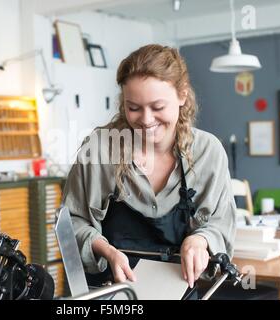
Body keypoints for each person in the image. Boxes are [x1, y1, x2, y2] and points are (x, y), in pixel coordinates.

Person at [62, 44, 236, 292]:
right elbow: (71, 223)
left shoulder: (208, 152)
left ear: (182, 96)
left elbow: (221, 223)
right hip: (110, 293)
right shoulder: (100, 149)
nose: (145, 119)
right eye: (133, 108)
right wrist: (107, 251)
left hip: (178, 291)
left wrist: (200, 240)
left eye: (157, 107)